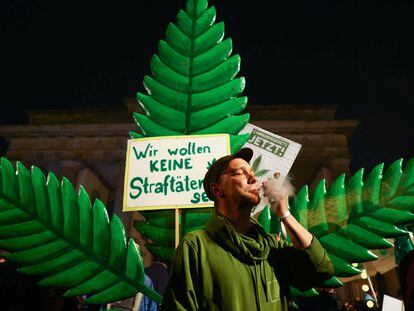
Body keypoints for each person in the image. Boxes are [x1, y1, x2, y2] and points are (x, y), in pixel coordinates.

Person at [162, 148, 334, 310]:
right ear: (217, 189)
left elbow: (321, 270)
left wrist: (285, 213)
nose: (253, 179)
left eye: (253, 174)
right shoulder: (196, 246)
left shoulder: (272, 247)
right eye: (239, 173)